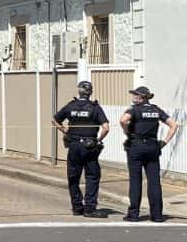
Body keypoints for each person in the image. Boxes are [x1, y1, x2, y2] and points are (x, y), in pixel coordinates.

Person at [119, 86, 179, 222]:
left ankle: (133, 214)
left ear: (142, 97)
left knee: (135, 180)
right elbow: (174, 125)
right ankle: (157, 215)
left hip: (136, 146)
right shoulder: (156, 110)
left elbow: (123, 120)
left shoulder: (134, 109)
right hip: (153, 146)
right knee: (154, 182)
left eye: (136, 95)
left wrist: (127, 132)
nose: (134, 97)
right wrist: (163, 142)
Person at [52, 81, 110, 218]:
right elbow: (106, 127)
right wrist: (98, 140)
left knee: (73, 177)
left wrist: (65, 131)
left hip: (74, 146)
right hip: (89, 146)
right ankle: (89, 208)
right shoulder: (94, 107)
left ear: (79, 91)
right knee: (92, 176)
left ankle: (77, 207)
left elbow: (54, 119)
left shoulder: (71, 105)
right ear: (90, 92)